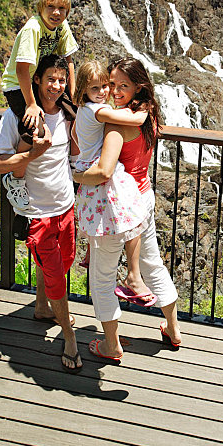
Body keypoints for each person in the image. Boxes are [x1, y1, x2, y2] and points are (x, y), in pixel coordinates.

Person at [73, 57, 182, 362]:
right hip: (143, 199)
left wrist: (73, 175)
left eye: (124, 86)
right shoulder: (148, 115)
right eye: (112, 84)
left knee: (103, 277)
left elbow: (104, 172)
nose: (115, 91)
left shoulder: (116, 124)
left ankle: (111, 345)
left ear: (138, 87)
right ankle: (173, 330)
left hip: (116, 208)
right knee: (153, 264)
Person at [0, 54, 82, 373]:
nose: (55, 86)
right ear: (36, 81)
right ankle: (69, 338)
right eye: (49, 79)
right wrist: (32, 154)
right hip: (36, 214)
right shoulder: (16, 118)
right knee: (56, 276)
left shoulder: (68, 113)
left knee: (64, 263)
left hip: (65, 206)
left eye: (61, 80)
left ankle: (43, 308)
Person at [73, 60, 156, 306]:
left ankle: (90, 253)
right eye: (96, 88)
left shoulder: (85, 109)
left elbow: (75, 136)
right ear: (84, 91)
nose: (105, 92)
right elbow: (136, 121)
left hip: (86, 165)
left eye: (106, 86)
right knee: (134, 215)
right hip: (98, 170)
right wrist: (144, 109)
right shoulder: (99, 111)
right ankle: (133, 275)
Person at [0, 0, 78, 210]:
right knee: (34, 128)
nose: (56, 12)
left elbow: (69, 60)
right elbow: (22, 69)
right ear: (40, 6)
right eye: (51, 6)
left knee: (74, 115)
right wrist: (32, 105)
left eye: (62, 8)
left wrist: (71, 95)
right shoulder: (32, 29)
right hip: (18, 85)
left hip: (41, 82)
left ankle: (74, 168)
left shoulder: (62, 27)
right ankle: (15, 179)